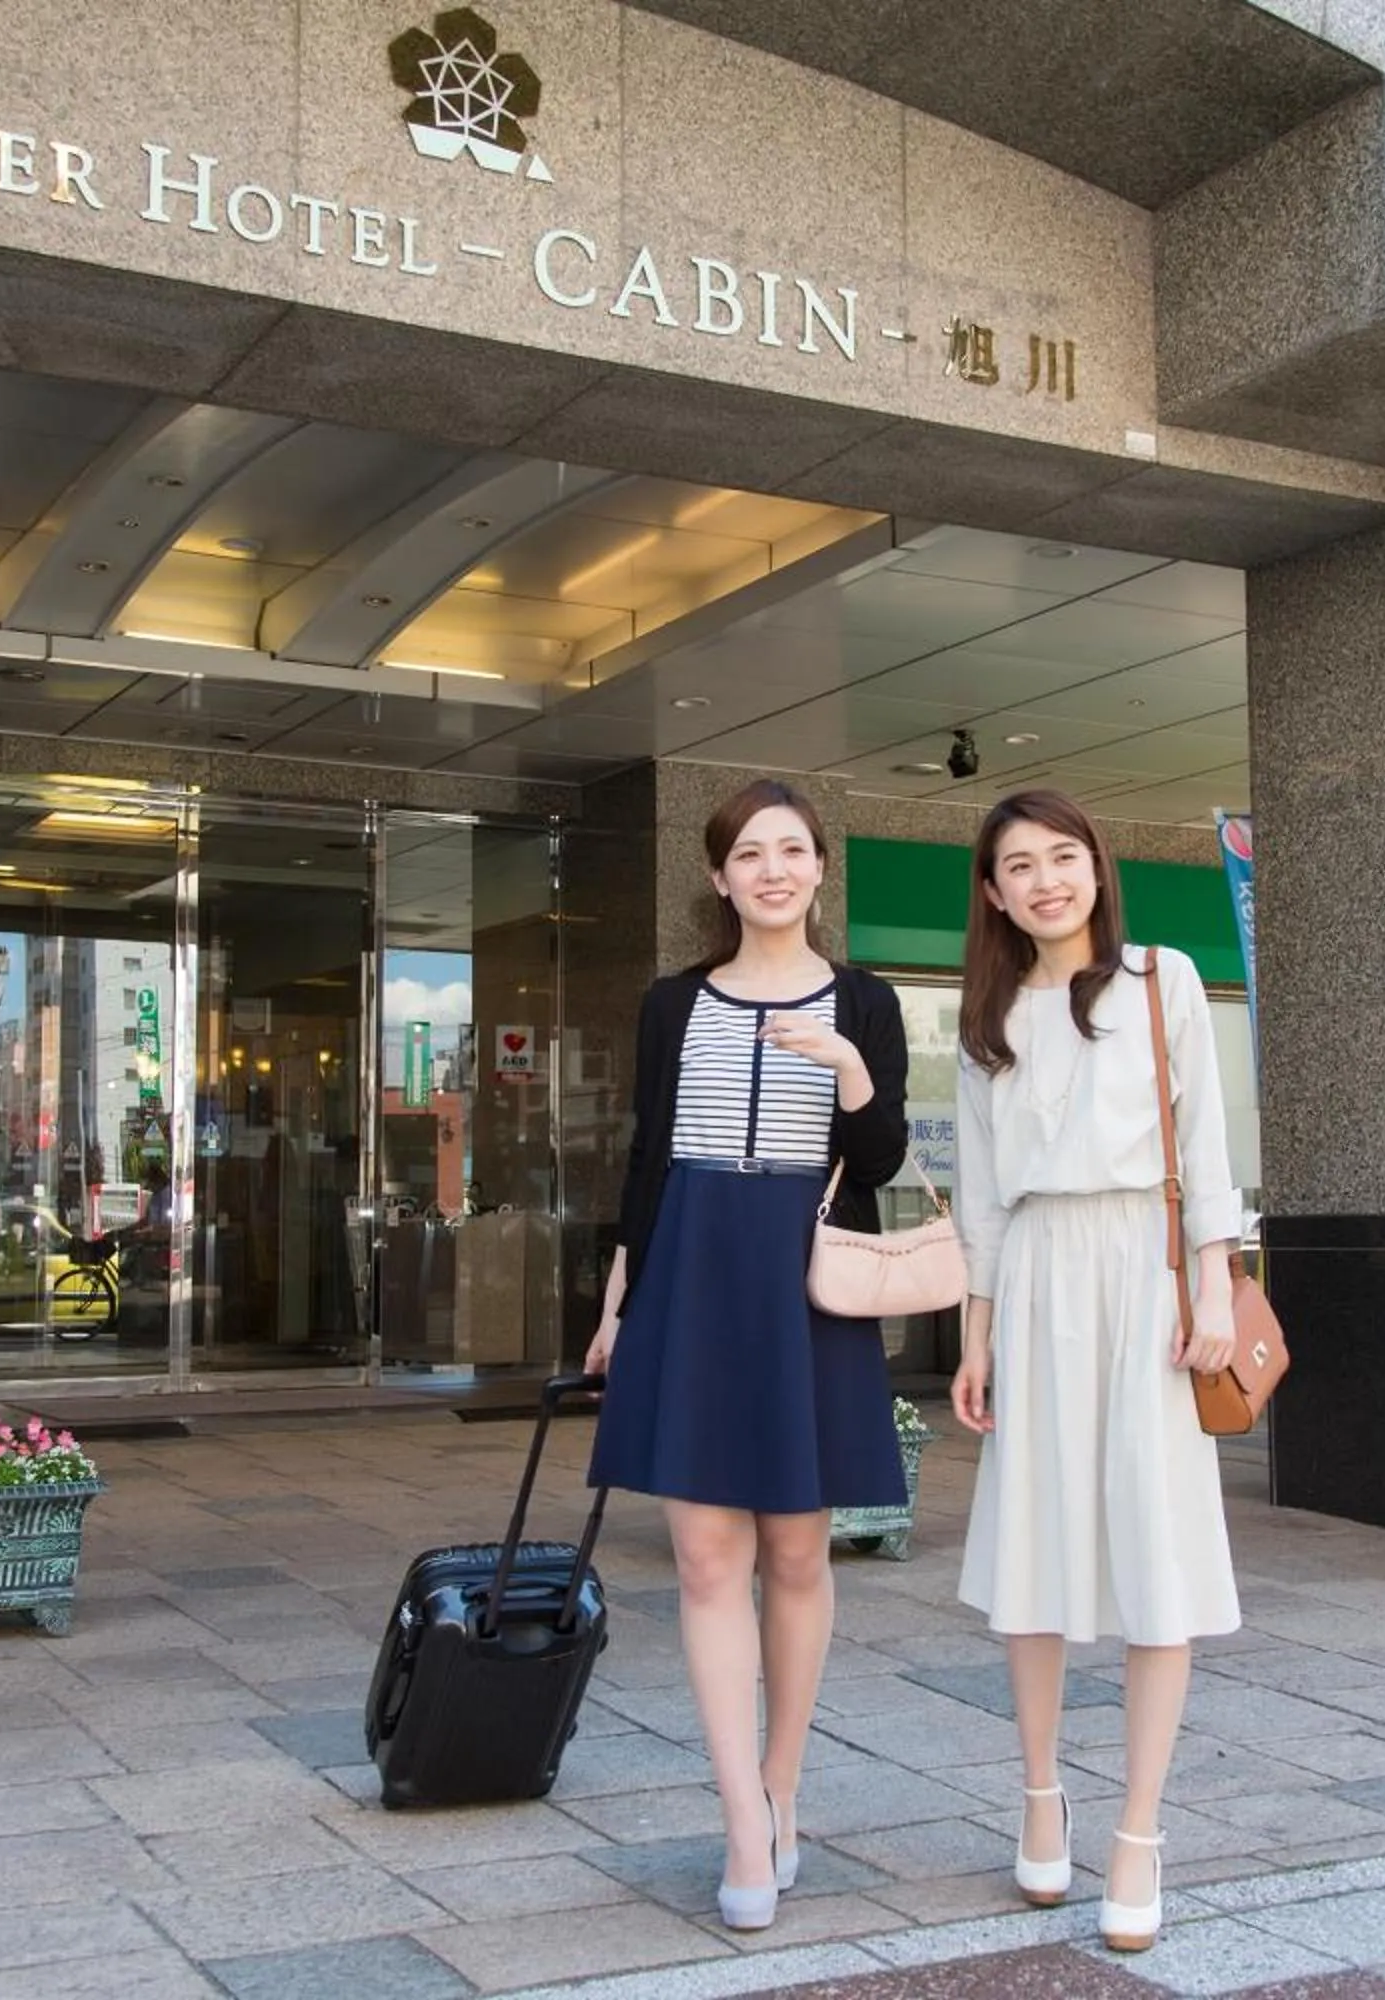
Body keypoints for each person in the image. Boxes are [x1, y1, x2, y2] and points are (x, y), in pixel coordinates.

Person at [585, 778, 911, 1933]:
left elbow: (878, 1155)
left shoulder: (864, 997)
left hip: (803, 1273)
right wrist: (620, 1296)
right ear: (719, 878)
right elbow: (646, 1154)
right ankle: (737, 1816)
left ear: (820, 868)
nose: (773, 868)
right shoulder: (673, 1002)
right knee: (708, 1559)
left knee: (799, 1553)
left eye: (792, 849)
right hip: (692, 1264)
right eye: (748, 853)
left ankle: (785, 1790)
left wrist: (849, 1065)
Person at [948, 789, 1244, 1955]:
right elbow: (978, 1188)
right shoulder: (985, 1017)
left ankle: (1138, 1830)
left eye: (1062, 856)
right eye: (1018, 864)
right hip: (1033, 1273)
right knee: (1034, 1539)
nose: (1044, 879)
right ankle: (1036, 1793)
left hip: (1147, 1270)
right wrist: (973, 1331)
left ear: (1096, 866)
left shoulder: (1162, 978)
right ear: (992, 891)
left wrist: (1211, 1284)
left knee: (1155, 1541)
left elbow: (1206, 1138)